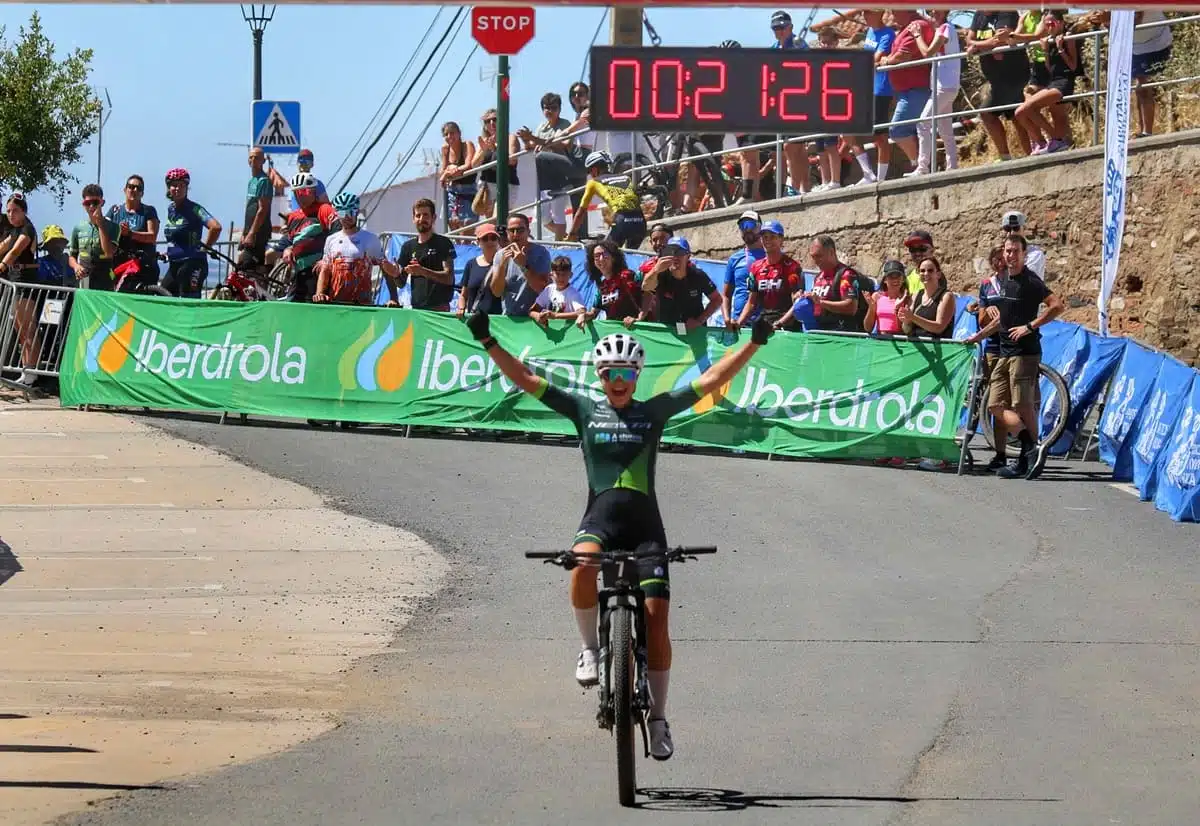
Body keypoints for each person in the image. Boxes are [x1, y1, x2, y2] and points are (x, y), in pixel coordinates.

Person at [463, 309, 777, 761]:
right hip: (600, 520)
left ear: (637, 376)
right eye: (611, 373)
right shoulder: (583, 409)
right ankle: (590, 649)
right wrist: (488, 341)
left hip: (647, 528)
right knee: (581, 563)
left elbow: (710, 380)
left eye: (627, 373)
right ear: (600, 375)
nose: (618, 381)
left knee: (657, 618)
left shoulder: (654, 411)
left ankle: (659, 718)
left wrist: (755, 343)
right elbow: (527, 379)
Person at [965, 234, 1065, 479]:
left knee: (1022, 405)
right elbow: (1002, 321)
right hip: (1004, 352)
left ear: (1024, 254)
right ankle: (1030, 447)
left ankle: (1026, 458)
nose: (1010, 255)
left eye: (1015, 251)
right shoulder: (1006, 281)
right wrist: (978, 337)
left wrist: (1030, 326)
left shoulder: (1031, 281)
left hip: (1024, 352)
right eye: (1007, 251)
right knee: (995, 405)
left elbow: (1057, 306)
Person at [313, 192, 401, 306]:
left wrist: (394, 298)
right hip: (336, 303)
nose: (346, 217)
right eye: (341, 213)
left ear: (357, 212)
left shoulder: (370, 239)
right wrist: (319, 294)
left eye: (350, 212)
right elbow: (325, 269)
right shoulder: (331, 240)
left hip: (362, 305)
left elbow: (386, 269)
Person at [565, 151, 646, 249]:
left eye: (589, 172)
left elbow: (581, 212)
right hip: (640, 220)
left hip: (622, 220)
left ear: (594, 169)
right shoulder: (625, 177)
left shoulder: (593, 182)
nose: (590, 175)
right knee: (632, 255)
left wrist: (572, 234)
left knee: (606, 252)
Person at [0, 193, 41, 386]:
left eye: (15, 210)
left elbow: (15, 251)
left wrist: (2, 265)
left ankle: (32, 371)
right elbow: (3, 247)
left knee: (28, 327)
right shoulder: (14, 230)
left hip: (25, 280)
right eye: (8, 211)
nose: (11, 214)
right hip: (15, 279)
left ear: (23, 211)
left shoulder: (27, 229)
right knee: (20, 328)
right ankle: (26, 370)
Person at [162, 168, 222, 298]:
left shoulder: (194, 208)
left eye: (181, 185)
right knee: (162, 297)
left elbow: (216, 227)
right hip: (174, 263)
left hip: (193, 263)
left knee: (188, 302)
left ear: (187, 187)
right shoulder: (171, 209)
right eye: (174, 185)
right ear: (168, 188)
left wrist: (205, 248)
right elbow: (176, 237)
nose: (177, 188)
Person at [280, 171, 338, 303]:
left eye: (304, 192)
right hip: (299, 273)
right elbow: (293, 241)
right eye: (296, 193)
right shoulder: (293, 217)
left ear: (313, 191)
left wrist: (326, 259)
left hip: (317, 272)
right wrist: (288, 249)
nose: (300, 196)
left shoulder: (324, 209)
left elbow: (338, 234)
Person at [735, 220, 803, 331]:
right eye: (764, 237)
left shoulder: (792, 267)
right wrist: (738, 323)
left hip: (787, 327)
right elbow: (751, 302)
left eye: (772, 237)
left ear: (781, 239)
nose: (768, 240)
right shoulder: (756, 267)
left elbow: (797, 302)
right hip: (765, 324)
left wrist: (780, 323)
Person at [396, 198, 456, 311]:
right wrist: (394, 274)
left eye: (425, 215)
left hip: (439, 310)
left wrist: (422, 271)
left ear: (434, 218)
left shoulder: (444, 243)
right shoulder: (407, 247)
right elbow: (401, 284)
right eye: (418, 215)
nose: (421, 219)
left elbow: (449, 278)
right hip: (417, 310)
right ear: (413, 219)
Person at [107, 174, 160, 286]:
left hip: (143, 266)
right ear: (125, 190)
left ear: (142, 193)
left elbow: (152, 236)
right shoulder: (115, 211)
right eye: (131, 187)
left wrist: (130, 233)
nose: (134, 190)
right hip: (119, 265)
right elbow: (103, 230)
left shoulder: (149, 211)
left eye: (138, 188)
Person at [579, 239, 644, 329]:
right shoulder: (602, 287)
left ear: (613, 257)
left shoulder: (627, 276)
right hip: (614, 332)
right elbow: (593, 313)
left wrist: (638, 318)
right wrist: (583, 316)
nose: (601, 259)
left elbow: (647, 298)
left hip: (634, 330)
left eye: (604, 254)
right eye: (596, 256)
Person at [68, 184, 120, 291]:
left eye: (95, 202)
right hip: (84, 280)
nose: (91, 206)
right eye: (87, 203)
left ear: (102, 202)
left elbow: (108, 253)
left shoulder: (114, 227)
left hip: (105, 281)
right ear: (83, 204)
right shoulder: (78, 228)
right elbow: (72, 256)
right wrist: (76, 267)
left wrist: (100, 224)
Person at [722, 210, 767, 329]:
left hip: (765, 323)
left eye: (750, 225)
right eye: (742, 226)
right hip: (739, 323)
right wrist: (727, 319)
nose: (746, 229)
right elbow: (726, 295)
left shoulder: (771, 255)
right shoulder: (734, 259)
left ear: (760, 227)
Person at [239, 147, 274, 271]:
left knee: (248, 265)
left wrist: (252, 233)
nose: (253, 160)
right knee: (242, 265)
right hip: (249, 231)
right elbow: (250, 208)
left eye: (257, 157)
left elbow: (262, 209)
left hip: (259, 233)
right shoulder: (252, 181)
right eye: (251, 157)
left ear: (263, 161)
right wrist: (244, 233)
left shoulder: (264, 181)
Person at [457, 223, 503, 317]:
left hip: (499, 321)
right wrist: (461, 308)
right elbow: (463, 295)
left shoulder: (505, 263)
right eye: (485, 238)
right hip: (475, 320)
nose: (489, 242)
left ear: (498, 240)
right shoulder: (471, 264)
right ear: (478, 241)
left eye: (493, 238)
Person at [530, 255, 587, 326]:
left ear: (571, 275)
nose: (561, 277)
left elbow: (581, 312)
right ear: (551, 275)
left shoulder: (573, 293)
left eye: (564, 274)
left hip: (568, 331)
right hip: (550, 330)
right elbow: (532, 310)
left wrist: (555, 315)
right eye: (557, 274)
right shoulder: (549, 289)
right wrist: (538, 316)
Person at [864, 259, 907, 334]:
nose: (895, 280)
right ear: (885, 280)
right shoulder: (877, 297)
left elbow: (906, 330)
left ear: (903, 279)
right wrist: (872, 308)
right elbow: (868, 328)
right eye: (891, 276)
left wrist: (898, 309)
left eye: (898, 276)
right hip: (880, 340)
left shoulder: (907, 298)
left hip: (899, 340)